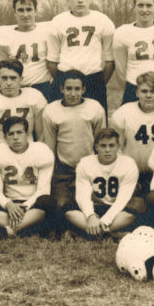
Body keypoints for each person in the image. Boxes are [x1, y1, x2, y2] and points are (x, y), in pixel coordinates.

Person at [40, 69, 107, 218]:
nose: (73, 93)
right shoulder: (51, 110)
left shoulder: (95, 108)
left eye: (77, 89)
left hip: (89, 167)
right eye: (68, 88)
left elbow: (100, 141)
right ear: (61, 89)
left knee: (96, 203)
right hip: (64, 169)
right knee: (61, 204)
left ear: (83, 89)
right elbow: (50, 147)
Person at [46, 0, 115, 113]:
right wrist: (64, 80)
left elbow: (109, 60)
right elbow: (52, 62)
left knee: (97, 124)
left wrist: (98, 82)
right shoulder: (58, 22)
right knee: (61, 120)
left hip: (93, 78)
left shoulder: (103, 20)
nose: (80, 0)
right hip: (65, 78)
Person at [65, 128, 145, 240]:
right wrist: (91, 216)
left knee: (138, 205)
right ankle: (109, 233)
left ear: (118, 146)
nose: (107, 150)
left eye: (111, 145)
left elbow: (123, 199)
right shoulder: (85, 163)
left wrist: (104, 221)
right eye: (103, 146)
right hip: (95, 207)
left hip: (117, 210)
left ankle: (92, 232)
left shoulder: (128, 164)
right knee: (67, 207)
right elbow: (83, 195)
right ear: (96, 146)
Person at [0, 116, 55, 238]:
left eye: (19, 132)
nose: (15, 137)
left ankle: (9, 230)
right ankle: (26, 228)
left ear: (27, 134)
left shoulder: (41, 151)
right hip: (10, 204)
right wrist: (8, 204)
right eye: (11, 134)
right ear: (5, 137)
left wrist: (24, 208)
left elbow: (43, 190)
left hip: (33, 204)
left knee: (48, 202)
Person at [0, 0, 54, 101]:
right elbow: (0, 67)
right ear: (14, 12)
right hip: (17, 89)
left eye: (29, 9)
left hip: (43, 86)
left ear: (35, 11)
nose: (25, 14)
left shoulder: (47, 31)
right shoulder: (4, 35)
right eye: (20, 10)